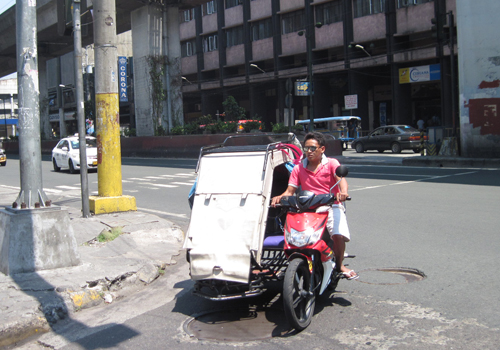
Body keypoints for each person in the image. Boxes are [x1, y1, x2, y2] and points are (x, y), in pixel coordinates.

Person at [271, 132, 358, 280]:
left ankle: (339, 265)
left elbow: (341, 180)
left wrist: (343, 192)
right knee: (293, 235)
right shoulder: (298, 168)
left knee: (337, 233)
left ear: (322, 149)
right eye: (306, 148)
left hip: (330, 205)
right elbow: (290, 190)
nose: (309, 152)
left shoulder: (331, 163)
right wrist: (280, 197)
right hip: (307, 208)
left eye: (313, 148)